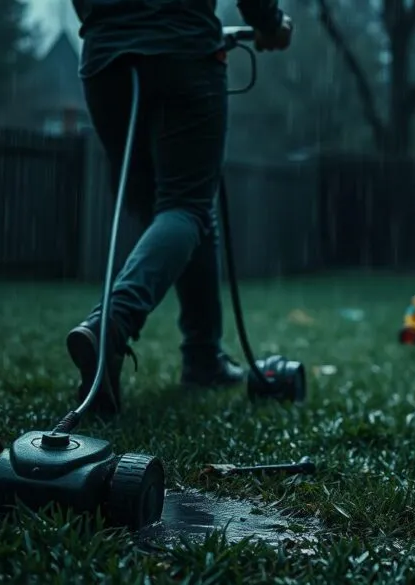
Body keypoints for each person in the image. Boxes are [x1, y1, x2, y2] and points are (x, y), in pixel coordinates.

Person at [67, 0, 293, 415]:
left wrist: (116, 20)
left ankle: (203, 359)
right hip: (182, 50)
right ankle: (112, 323)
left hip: (105, 64)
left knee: (176, 209)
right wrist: (270, 23)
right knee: (186, 205)